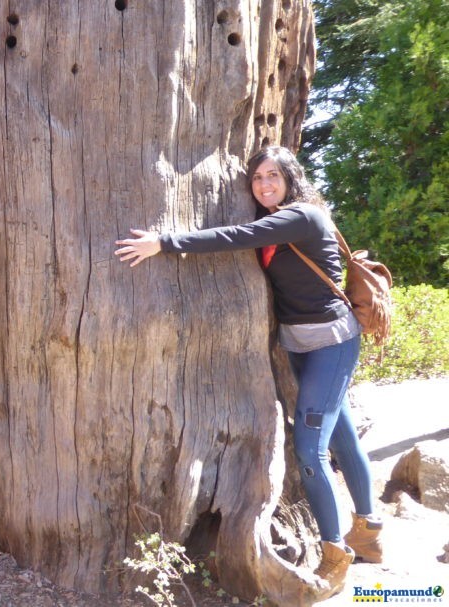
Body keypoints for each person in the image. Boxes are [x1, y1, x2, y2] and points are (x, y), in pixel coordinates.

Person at [114, 146, 383, 596]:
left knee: (310, 449)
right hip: (300, 343)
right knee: (340, 435)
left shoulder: (303, 216)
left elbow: (234, 236)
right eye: (257, 178)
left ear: (291, 178)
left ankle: (337, 553)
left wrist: (163, 242)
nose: (264, 185)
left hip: (332, 342)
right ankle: (370, 531)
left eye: (273, 175)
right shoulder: (279, 221)